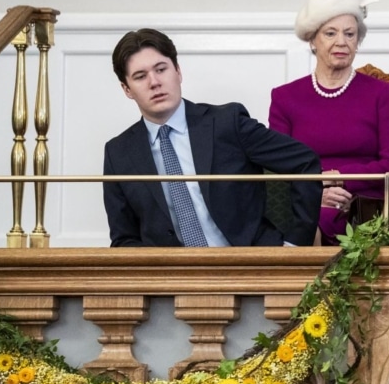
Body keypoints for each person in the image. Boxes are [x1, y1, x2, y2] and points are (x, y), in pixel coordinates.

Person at [103, 28, 321, 247]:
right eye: (140, 77)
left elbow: (304, 161)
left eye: (161, 69)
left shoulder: (227, 123)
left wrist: (294, 245)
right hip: (174, 276)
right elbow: (124, 239)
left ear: (178, 72)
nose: (154, 82)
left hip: (250, 264)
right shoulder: (118, 153)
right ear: (127, 89)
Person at [270, 0, 389, 244]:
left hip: (365, 202)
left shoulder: (382, 94)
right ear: (313, 40)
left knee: (319, 219)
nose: (341, 42)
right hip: (308, 200)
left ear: (358, 40)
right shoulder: (285, 97)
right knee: (315, 215)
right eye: (330, 33)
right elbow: (280, 163)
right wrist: (316, 189)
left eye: (350, 33)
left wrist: (340, 180)